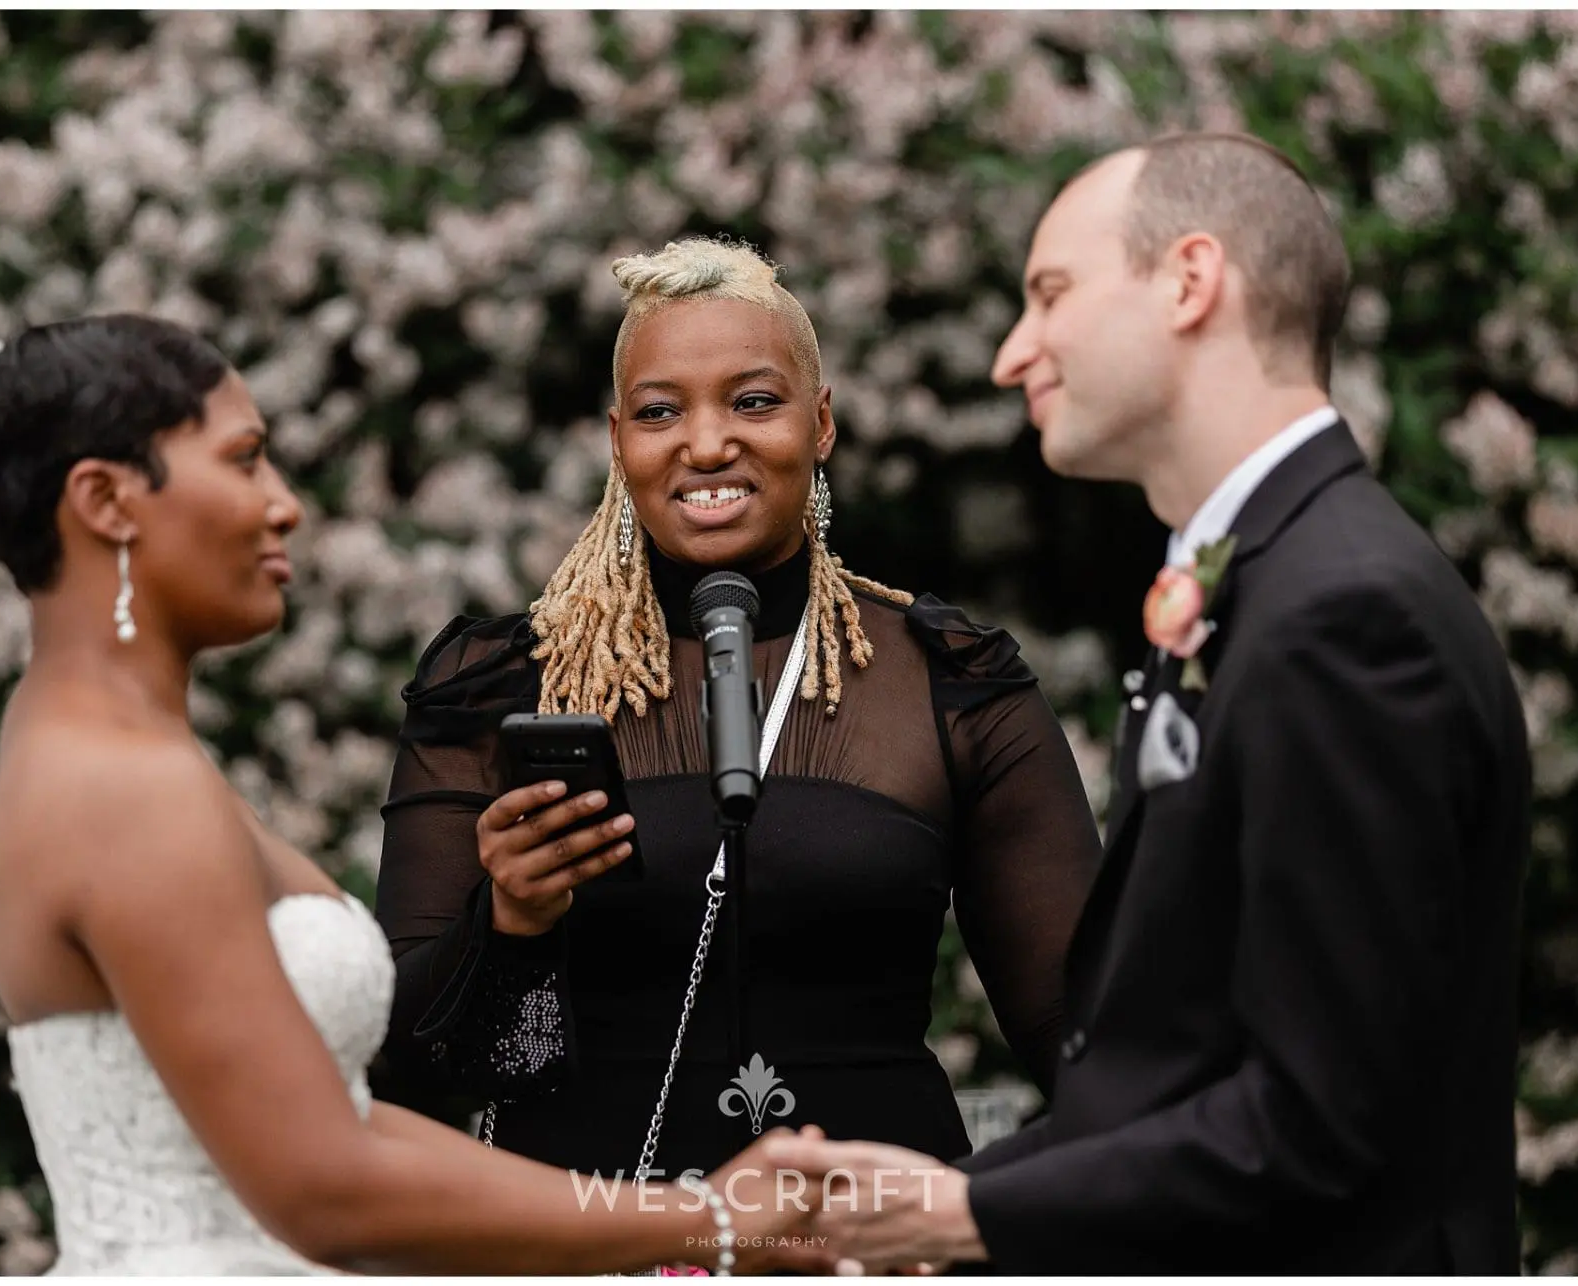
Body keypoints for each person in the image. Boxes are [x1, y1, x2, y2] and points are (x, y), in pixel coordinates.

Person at [0, 314, 824, 1276]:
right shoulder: (119, 788)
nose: (284, 501)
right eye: (245, 459)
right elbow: (322, 1180)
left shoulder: (97, 749)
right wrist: (707, 1219)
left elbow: (337, 1124)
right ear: (107, 501)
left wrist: (678, 1212)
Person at [773, 132, 1532, 1274]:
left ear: (1191, 280)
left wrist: (964, 1218)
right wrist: (937, 1191)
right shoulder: (1272, 582)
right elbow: (1181, 1065)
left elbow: (1320, 1124)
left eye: (1049, 294)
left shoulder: (1346, 614)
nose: (1010, 354)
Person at [371, 239, 1103, 1188]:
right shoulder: (499, 685)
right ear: (617, 440)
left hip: (869, 1245)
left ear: (823, 423)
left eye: (754, 402)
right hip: (586, 1245)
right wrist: (509, 920)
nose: (707, 444)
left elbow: (1082, 1040)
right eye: (660, 411)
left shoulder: (950, 682)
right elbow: (406, 1071)